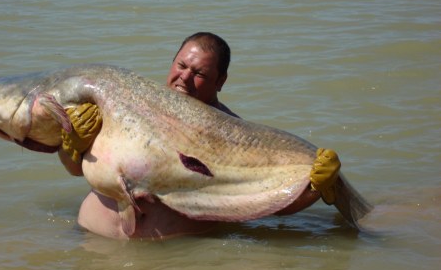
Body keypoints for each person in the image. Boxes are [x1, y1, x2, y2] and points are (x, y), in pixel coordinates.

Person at [58, 32, 335, 239]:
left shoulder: (235, 136)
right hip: (93, 244)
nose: (184, 78)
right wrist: (72, 145)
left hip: (173, 260)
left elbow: (265, 202)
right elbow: (74, 169)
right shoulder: (125, 105)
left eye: (199, 73)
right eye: (181, 66)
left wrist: (313, 187)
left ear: (220, 81)